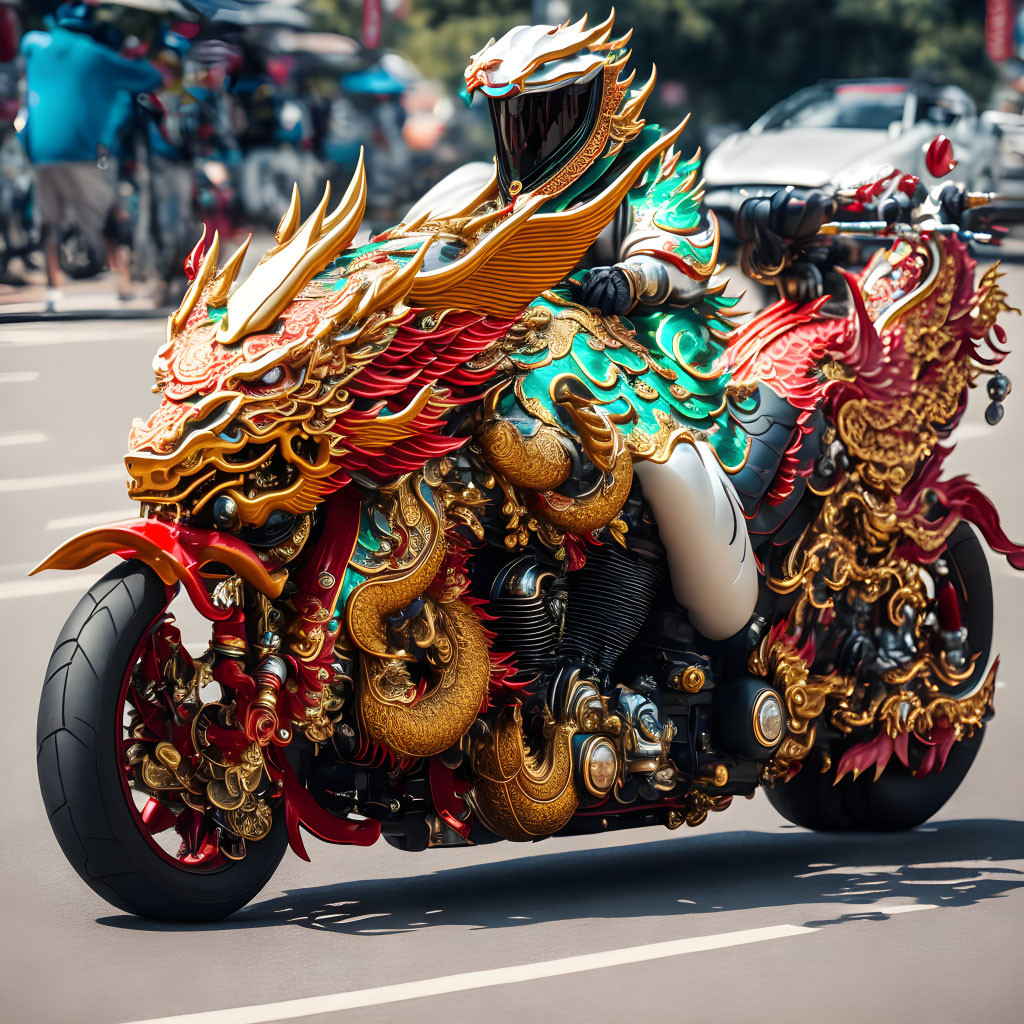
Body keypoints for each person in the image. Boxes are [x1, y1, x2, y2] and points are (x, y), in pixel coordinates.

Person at [407, 13, 760, 785]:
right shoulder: (491, 186)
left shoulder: (644, 164)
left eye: (547, 109)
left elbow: (675, 247)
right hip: (529, 359)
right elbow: (414, 243)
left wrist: (630, 279)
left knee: (660, 476)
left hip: (649, 359)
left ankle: (714, 623)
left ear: (593, 103)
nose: (529, 132)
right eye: (515, 114)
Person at [19, 3, 159, 310]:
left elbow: (27, 42)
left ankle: (52, 287)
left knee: (48, 221)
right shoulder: (95, 55)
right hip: (82, 153)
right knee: (114, 213)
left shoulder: (36, 48)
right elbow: (149, 77)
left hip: (40, 153)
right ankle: (122, 280)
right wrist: (134, 55)